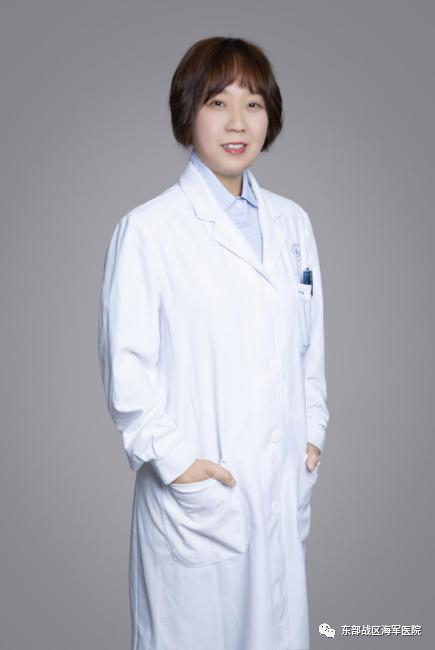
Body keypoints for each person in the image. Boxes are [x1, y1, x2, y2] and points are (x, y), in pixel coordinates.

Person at [98, 35, 329, 650]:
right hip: (201, 503)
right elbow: (127, 374)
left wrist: (312, 433)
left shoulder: (293, 224)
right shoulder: (149, 231)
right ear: (187, 111)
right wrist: (178, 466)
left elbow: (308, 352)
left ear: (270, 116)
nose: (237, 122)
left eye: (253, 104)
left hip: (277, 491)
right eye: (217, 102)